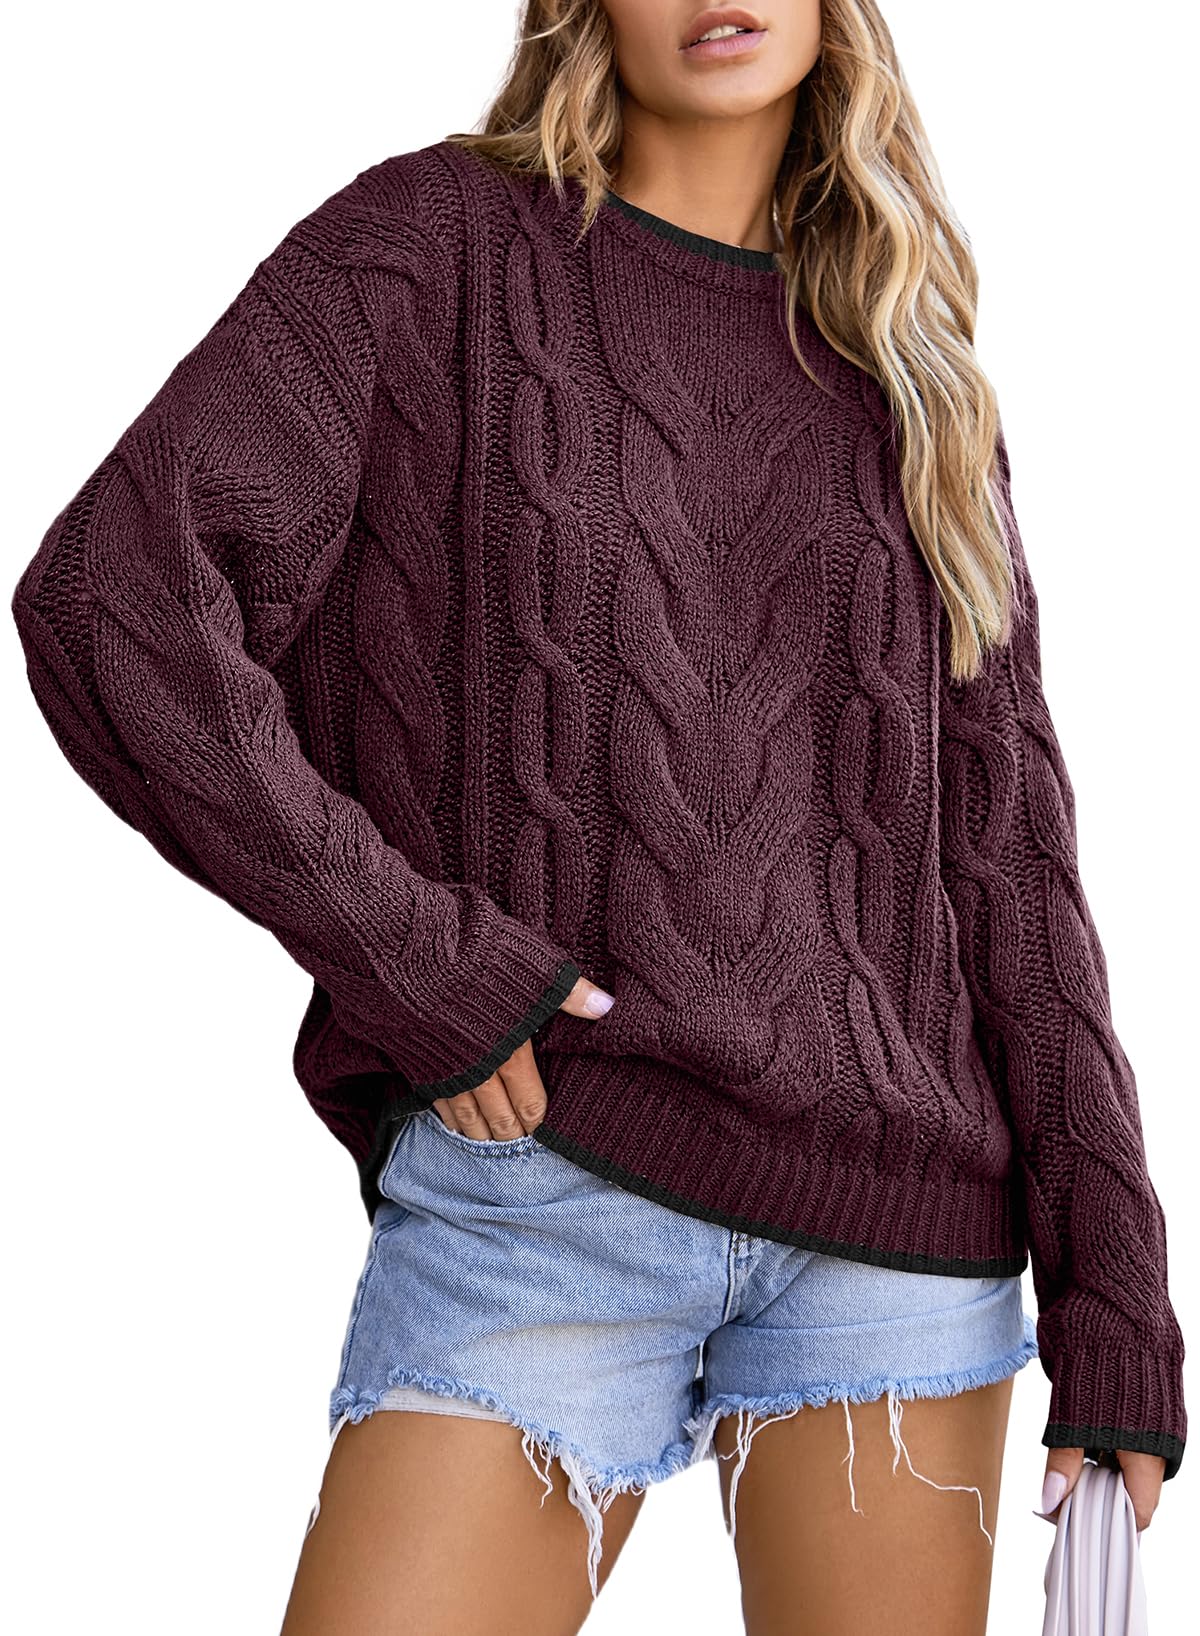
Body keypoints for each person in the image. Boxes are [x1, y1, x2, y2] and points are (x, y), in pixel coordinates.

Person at [11, 2, 1186, 1632]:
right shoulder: (430, 251)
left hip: (895, 1240)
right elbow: (115, 602)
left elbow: (1011, 860)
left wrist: (1115, 1286)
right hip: (544, 1195)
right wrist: (416, 960)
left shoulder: (911, 365)